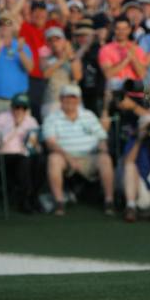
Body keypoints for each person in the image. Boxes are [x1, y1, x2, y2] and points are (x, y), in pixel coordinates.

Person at [42, 84, 115, 216]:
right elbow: (50, 143)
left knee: (105, 159)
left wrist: (102, 147)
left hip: (89, 156)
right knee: (53, 159)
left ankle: (109, 201)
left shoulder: (88, 115)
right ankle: (59, 203)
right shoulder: (52, 118)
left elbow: (102, 137)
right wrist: (67, 157)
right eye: (66, 98)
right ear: (61, 99)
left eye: (73, 98)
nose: (70, 101)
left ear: (79, 100)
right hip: (64, 157)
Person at [0, 93, 41, 213]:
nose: (19, 110)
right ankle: (25, 200)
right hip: (4, 155)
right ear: (12, 107)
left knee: (40, 161)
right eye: (17, 107)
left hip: (25, 154)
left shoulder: (31, 121)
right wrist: (16, 126)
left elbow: (34, 140)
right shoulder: (1, 119)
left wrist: (36, 146)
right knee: (24, 162)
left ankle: (33, 196)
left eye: (23, 108)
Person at [0, 13, 33, 121]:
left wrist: (20, 51)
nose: (4, 26)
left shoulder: (22, 45)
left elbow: (29, 68)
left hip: (19, 102)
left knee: (22, 134)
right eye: (0, 23)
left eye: (8, 23)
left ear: (13, 27)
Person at [40, 26, 82, 118]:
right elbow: (46, 74)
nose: (54, 43)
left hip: (73, 101)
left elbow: (77, 76)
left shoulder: (73, 58)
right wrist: (62, 59)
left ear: (64, 41)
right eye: (51, 40)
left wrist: (70, 56)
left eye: (57, 40)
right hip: (53, 101)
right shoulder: (45, 59)